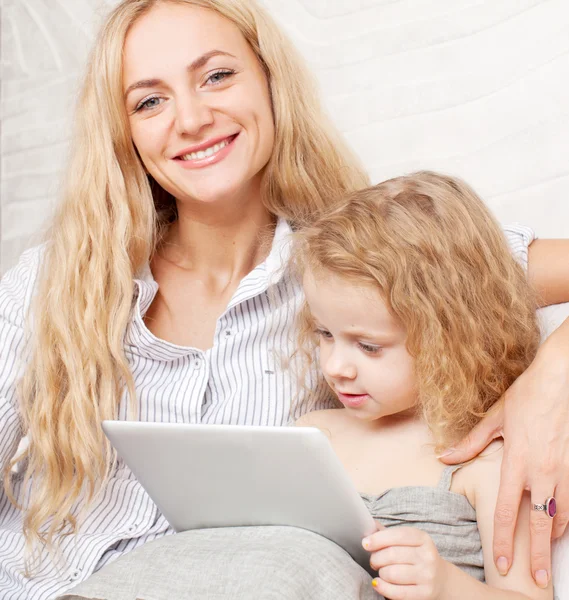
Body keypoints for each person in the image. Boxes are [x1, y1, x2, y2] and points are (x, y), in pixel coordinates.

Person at [0, 0, 566, 598]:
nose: (190, 119)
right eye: (149, 100)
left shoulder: (367, 264)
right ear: (124, 133)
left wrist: (553, 375)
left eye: (217, 75)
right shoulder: (56, 279)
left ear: (271, 81)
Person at [294, 171, 553, 599]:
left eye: (369, 347)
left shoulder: (485, 461)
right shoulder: (314, 433)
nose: (337, 365)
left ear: (451, 335)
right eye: (324, 334)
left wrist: (449, 586)